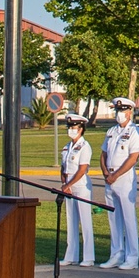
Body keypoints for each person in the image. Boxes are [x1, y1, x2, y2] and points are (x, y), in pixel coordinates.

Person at [100, 96, 139, 269]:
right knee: (113, 217)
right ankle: (116, 254)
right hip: (109, 177)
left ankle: (132, 256)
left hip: (124, 178)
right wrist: (105, 172)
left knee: (128, 218)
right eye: (117, 111)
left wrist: (116, 174)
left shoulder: (135, 132)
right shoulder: (111, 131)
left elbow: (133, 158)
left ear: (130, 112)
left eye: (123, 111)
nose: (120, 114)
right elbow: (104, 153)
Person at [60, 113, 95, 266]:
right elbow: (64, 168)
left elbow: (82, 170)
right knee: (71, 221)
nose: (71, 130)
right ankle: (71, 255)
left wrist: (68, 185)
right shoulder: (67, 146)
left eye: (73, 127)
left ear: (81, 129)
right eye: (69, 127)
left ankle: (88, 257)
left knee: (85, 222)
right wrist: (65, 183)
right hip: (68, 186)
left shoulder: (84, 146)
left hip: (81, 186)